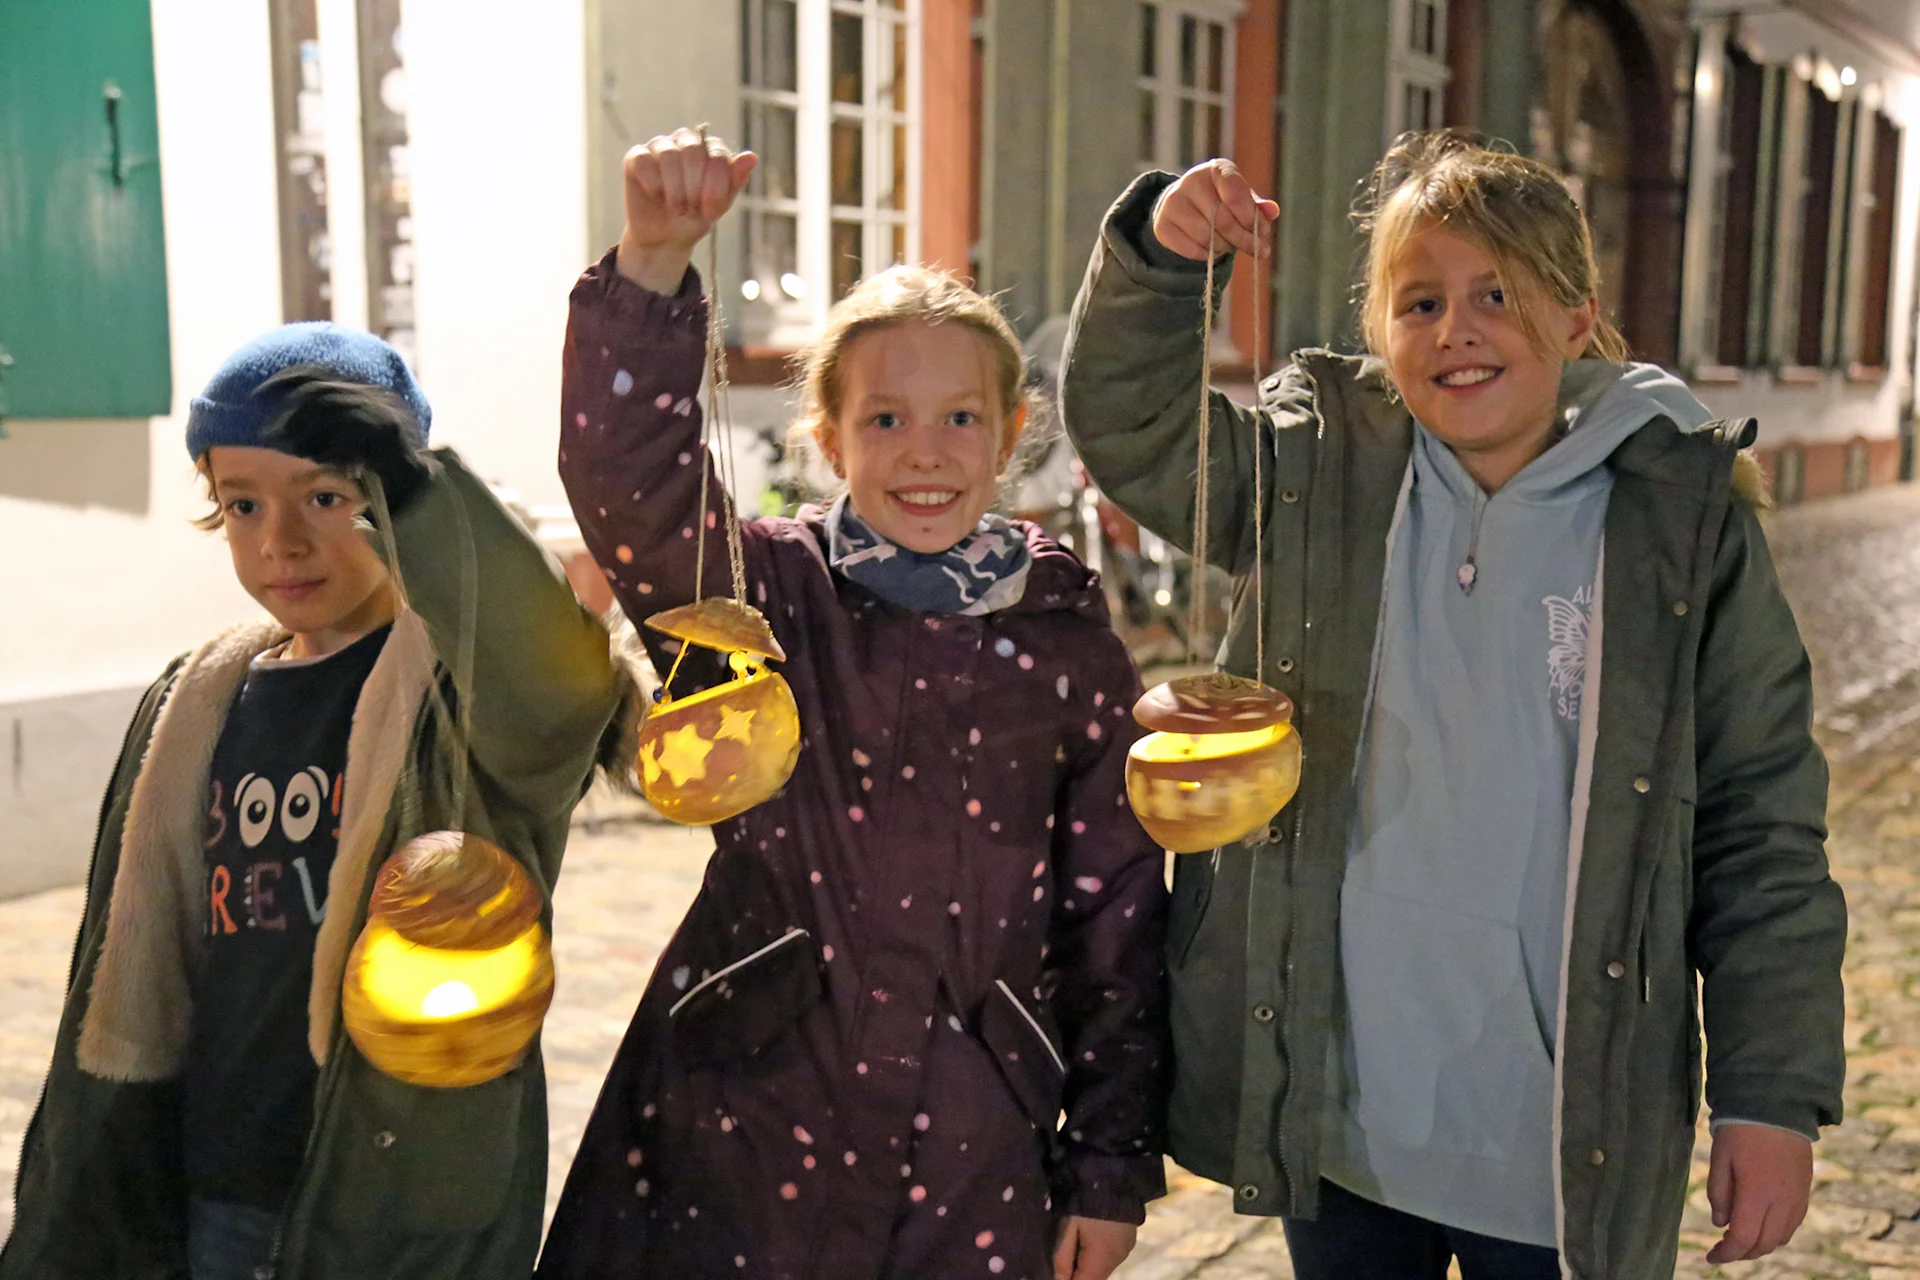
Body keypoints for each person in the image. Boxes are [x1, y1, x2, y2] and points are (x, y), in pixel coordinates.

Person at [1056, 132, 1847, 1279]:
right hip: (1337, 1117)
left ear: (1577, 320)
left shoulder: (1683, 527)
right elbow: (1138, 435)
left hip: (1558, 1140)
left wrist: (1769, 1095)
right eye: (1418, 300)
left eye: (1497, 295)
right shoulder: (1315, 474)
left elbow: (1762, 823)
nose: (1456, 328)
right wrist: (1164, 266)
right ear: (1382, 332)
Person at [536, 128, 1168, 1280]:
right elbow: (630, 482)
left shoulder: (1066, 643)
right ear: (826, 437)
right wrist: (651, 263)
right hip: (751, 1109)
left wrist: (1110, 1164)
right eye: (885, 418)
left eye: (960, 417)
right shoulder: (759, 593)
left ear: (1011, 432)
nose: (924, 450)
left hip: (974, 1142)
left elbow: (1116, 921)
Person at [2, 325, 639, 1280]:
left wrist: (429, 494)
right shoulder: (200, 700)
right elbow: (141, 957)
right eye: (243, 505)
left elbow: (557, 685)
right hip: (216, 1180)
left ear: (393, 501)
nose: (281, 541)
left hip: (388, 1191)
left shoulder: (457, 698)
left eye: (329, 496)